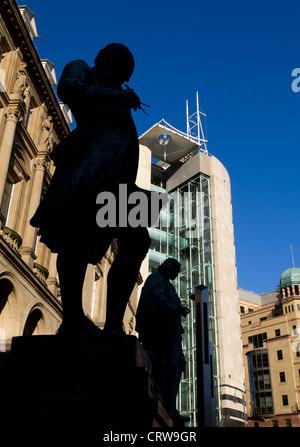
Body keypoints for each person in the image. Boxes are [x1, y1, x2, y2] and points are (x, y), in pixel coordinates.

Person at [30, 43, 151, 335]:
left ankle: (113, 326)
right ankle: (72, 316)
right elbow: (69, 89)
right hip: (90, 170)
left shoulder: (117, 92)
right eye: (123, 66)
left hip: (122, 182)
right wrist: (118, 96)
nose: (125, 75)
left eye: (127, 72)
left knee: (138, 242)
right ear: (103, 59)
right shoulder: (82, 67)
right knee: (77, 238)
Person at [136, 258, 190, 425]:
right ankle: (168, 407)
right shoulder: (156, 279)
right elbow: (158, 301)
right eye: (175, 271)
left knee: (178, 365)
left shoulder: (167, 283)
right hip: (160, 335)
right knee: (168, 368)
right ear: (168, 268)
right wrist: (177, 309)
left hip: (170, 335)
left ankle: (169, 407)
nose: (175, 275)